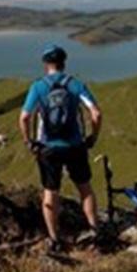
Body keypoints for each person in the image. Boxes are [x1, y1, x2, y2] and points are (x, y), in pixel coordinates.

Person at [18, 44, 102, 253]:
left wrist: (28, 141)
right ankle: (95, 231)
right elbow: (96, 113)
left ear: (46, 64)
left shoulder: (38, 87)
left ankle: (54, 238)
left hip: (48, 148)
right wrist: (93, 136)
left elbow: (25, 117)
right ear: (64, 63)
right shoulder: (75, 85)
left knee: (50, 191)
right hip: (75, 146)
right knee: (85, 188)